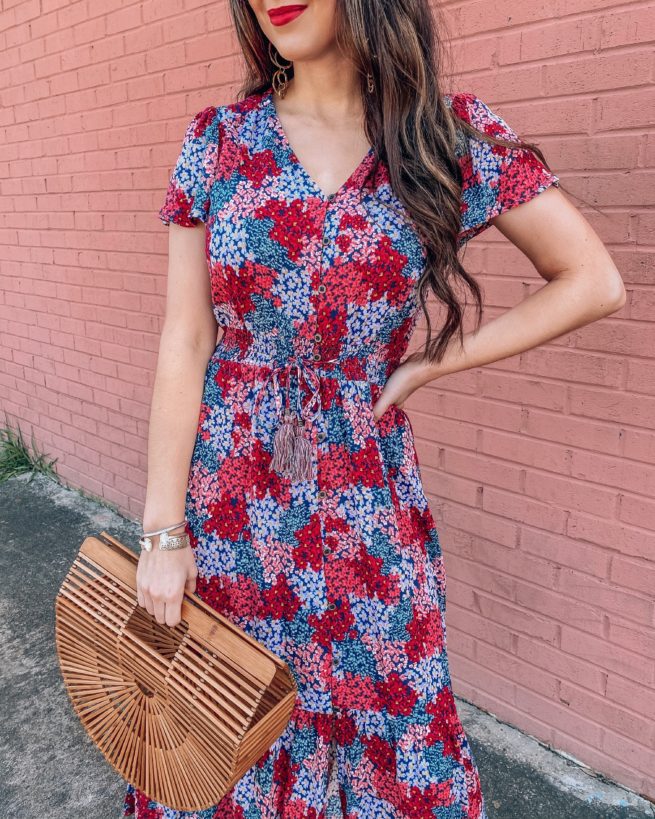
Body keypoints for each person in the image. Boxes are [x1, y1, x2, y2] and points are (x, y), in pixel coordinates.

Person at [124, 0, 626, 817]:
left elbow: (591, 280)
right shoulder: (218, 140)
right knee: (224, 728)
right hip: (232, 504)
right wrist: (161, 532)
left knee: (391, 727)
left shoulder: (441, 137)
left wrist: (430, 364)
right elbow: (185, 340)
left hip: (369, 501)